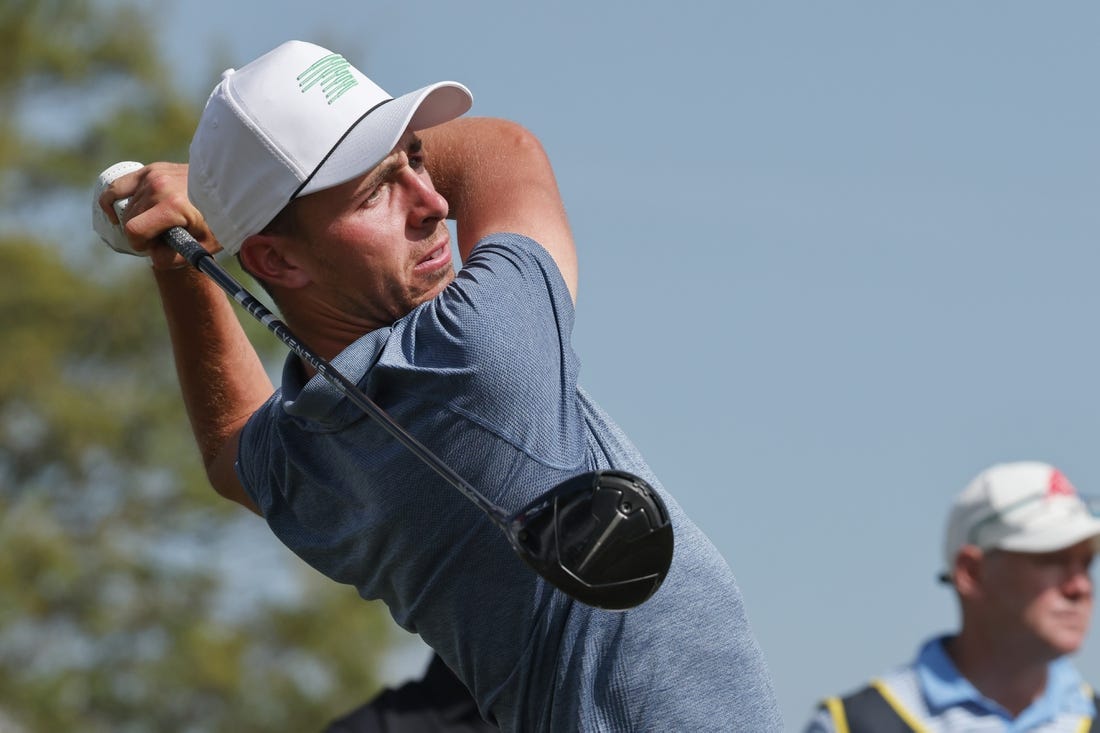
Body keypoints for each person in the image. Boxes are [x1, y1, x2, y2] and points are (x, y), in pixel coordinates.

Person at [98, 40, 782, 731]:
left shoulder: (306, 459)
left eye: (416, 159)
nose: (432, 201)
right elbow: (506, 150)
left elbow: (228, 448)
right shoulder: (474, 351)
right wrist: (212, 195)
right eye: (376, 190)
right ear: (275, 259)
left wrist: (184, 255)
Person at [805, 461, 1100, 733]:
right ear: (970, 572)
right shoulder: (851, 726)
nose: (1080, 587)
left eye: (1086, 563)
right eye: (1051, 559)